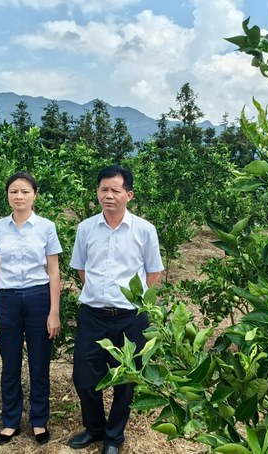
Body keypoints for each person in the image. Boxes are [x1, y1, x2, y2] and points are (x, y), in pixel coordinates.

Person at [68, 165, 163, 454]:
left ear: (129, 195)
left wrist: (136, 300)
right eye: (103, 189)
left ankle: (113, 436)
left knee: (127, 381)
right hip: (93, 314)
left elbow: (153, 272)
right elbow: (81, 268)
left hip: (131, 318)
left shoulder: (145, 230)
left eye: (115, 190)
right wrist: (100, 292)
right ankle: (94, 428)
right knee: (84, 377)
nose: (108, 195)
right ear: (97, 192)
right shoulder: (85, 228)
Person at [0, 171, 62, 445]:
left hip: (39, 298)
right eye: (13, 191)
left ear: (34, 195)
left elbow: (53, 271)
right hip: (7, 300)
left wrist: (54, 312)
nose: (19, 196)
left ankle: (39, 421)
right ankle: (10, 421)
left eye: (25, 191)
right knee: (10, 363)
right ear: (7, 196)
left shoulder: (46, 227)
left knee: (39, 362)